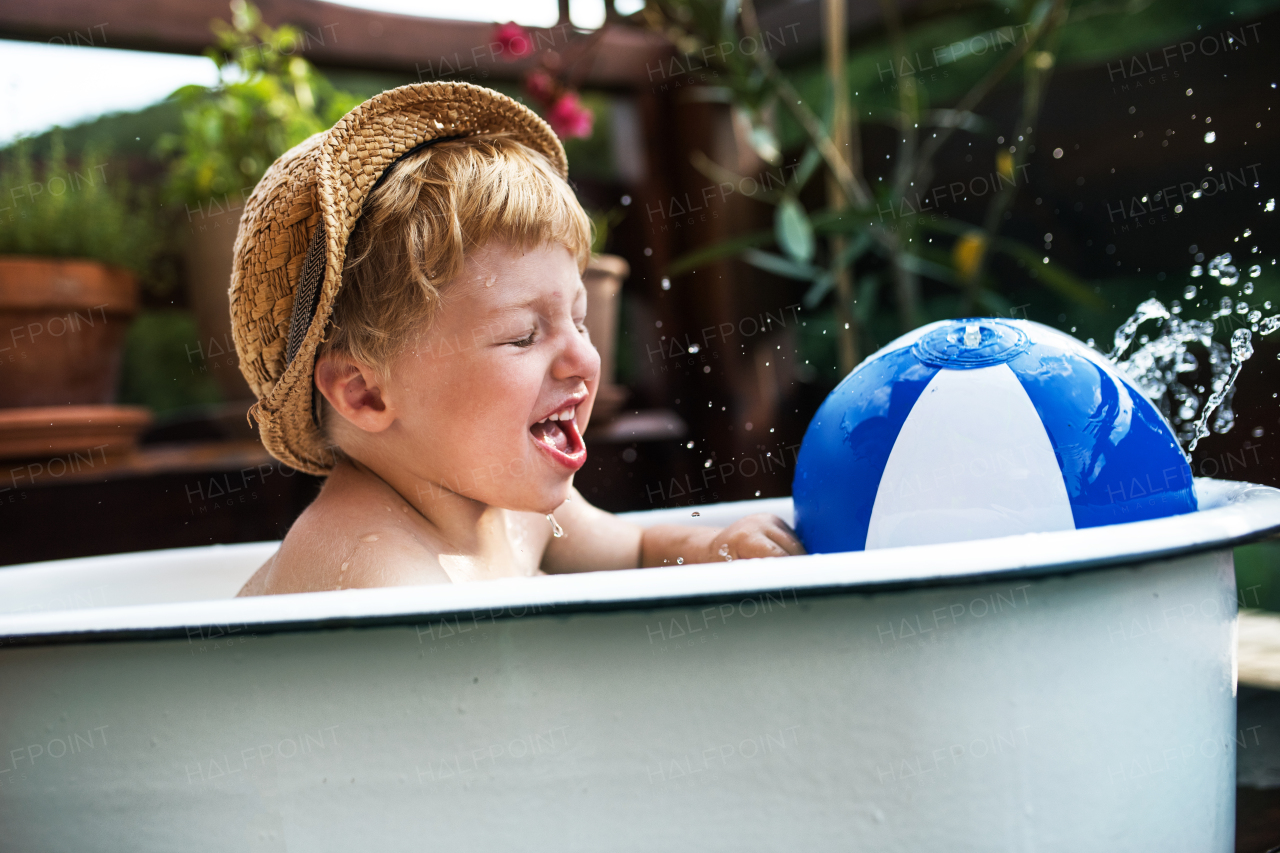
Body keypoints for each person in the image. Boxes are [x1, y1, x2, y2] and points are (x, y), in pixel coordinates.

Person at [230, 82, 803, 596]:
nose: (583, 358)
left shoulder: (512, 508)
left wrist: (710, 551)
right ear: (364, 393)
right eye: (523, 336)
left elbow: (632, 553)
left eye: (579, 321)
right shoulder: (371, 571)